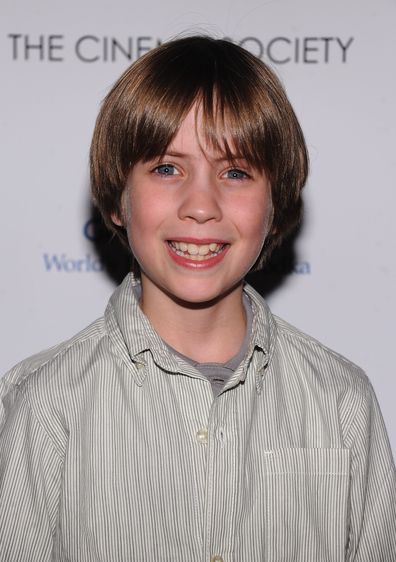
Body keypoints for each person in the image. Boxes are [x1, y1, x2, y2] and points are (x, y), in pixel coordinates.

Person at [0, 36, 395, 562]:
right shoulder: (43, 404)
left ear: (275, 202)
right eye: (167, 168)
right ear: (119, 196)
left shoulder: (343, 401)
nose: (201, 206)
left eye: (235, 171)